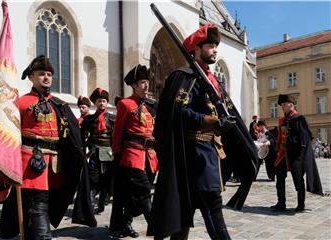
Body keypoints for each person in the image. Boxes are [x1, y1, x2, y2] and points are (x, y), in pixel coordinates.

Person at [147, 23, 258, 240]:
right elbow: (175, 112)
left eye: (216, 46)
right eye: (210, 46)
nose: (215, 49)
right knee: (210, 207)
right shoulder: (183, 76)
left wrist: (227, 125)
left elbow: (225, 112)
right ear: (196, 49)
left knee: (186, 212)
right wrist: (208, 121)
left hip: (209, 153)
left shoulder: (212, 81)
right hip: (191, 154)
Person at [0, 55, 93, 239]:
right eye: (41, 74)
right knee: (37, 205)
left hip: (55, 165)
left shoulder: (59, 104)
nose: (46, 77)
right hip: (30, 163)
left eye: (49, 74)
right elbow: (8, 135)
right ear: (31, 77)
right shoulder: (21, 103)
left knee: (44, 203)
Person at [109, 64, 158, 238]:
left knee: (133, 195)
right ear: (134, 85)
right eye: (142, 82)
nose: (146, 85)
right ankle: (156, 227)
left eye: (147, 82)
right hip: (132, 155)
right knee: (144, 190)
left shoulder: (151, 106)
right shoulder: (126, 104)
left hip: (150, 156)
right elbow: (118, 131)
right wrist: (117, 153)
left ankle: (125, 225)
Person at [271, 94, 323, 212]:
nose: (282, 107)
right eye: (282, 105)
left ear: (291, 105)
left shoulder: (299, 118)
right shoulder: (283, 120)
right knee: (279, 177)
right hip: (283, 154)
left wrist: (293, 144)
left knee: (298, 179)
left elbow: (305, 138)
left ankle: (301, 205)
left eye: (284, 104)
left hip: (296, 155)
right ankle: (281, 202)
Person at [81, 88, 115, 214]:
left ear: (107, 103)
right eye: (99, 101)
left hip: (108, 154)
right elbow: (83, 137)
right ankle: (90, 207)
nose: (102, 103)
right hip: (94, 152)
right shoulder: (89, 120)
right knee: (92, 179)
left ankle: (101, 204)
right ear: (95, 103)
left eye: (104, 101)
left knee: (105, 180)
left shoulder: (113, 119)